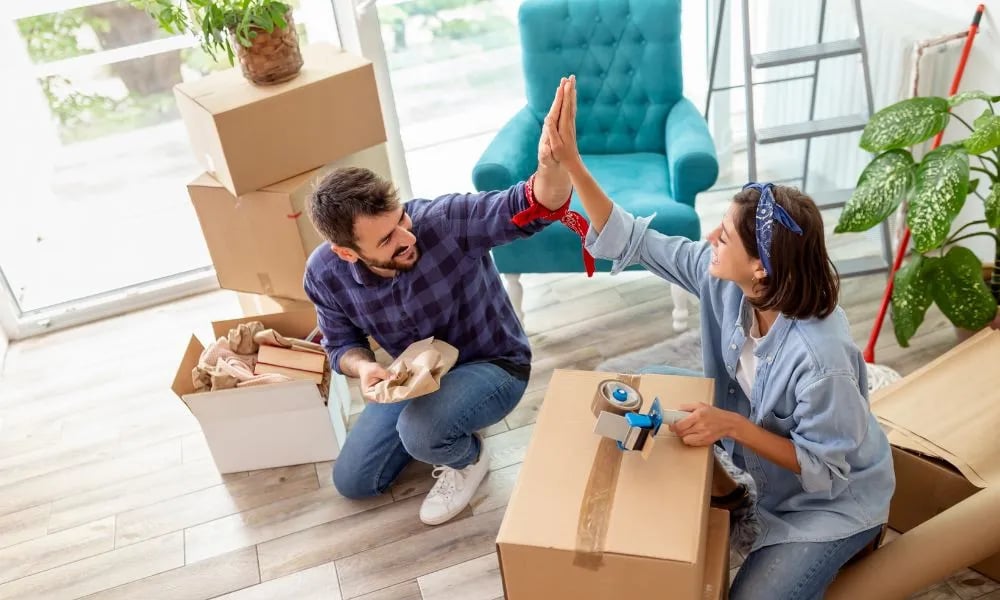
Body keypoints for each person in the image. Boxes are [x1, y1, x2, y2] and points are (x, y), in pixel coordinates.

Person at [543, 75, 894, 599]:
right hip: (757, 447)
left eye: (724, 234)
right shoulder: (725, 281)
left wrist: (730, 424)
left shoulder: (823, 360)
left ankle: (852, 544)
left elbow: (824, 469)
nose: (710, 237)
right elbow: (636, 239)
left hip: (829, 504)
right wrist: (571, 162)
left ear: (761, 271)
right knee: (619, 396)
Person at [302, 81, 584, 526]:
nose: (407, 237)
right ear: (346, 252)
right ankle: (443, 423)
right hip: (413, 376)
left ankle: (468, 457)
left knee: (420, 432)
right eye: (387, 239)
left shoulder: (445, 221)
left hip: (494, 363)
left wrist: (554, 163)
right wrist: (366, 370)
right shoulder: (324, 273)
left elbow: (535, 205)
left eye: (401, 220)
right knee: (354, 481)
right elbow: (341, 345)